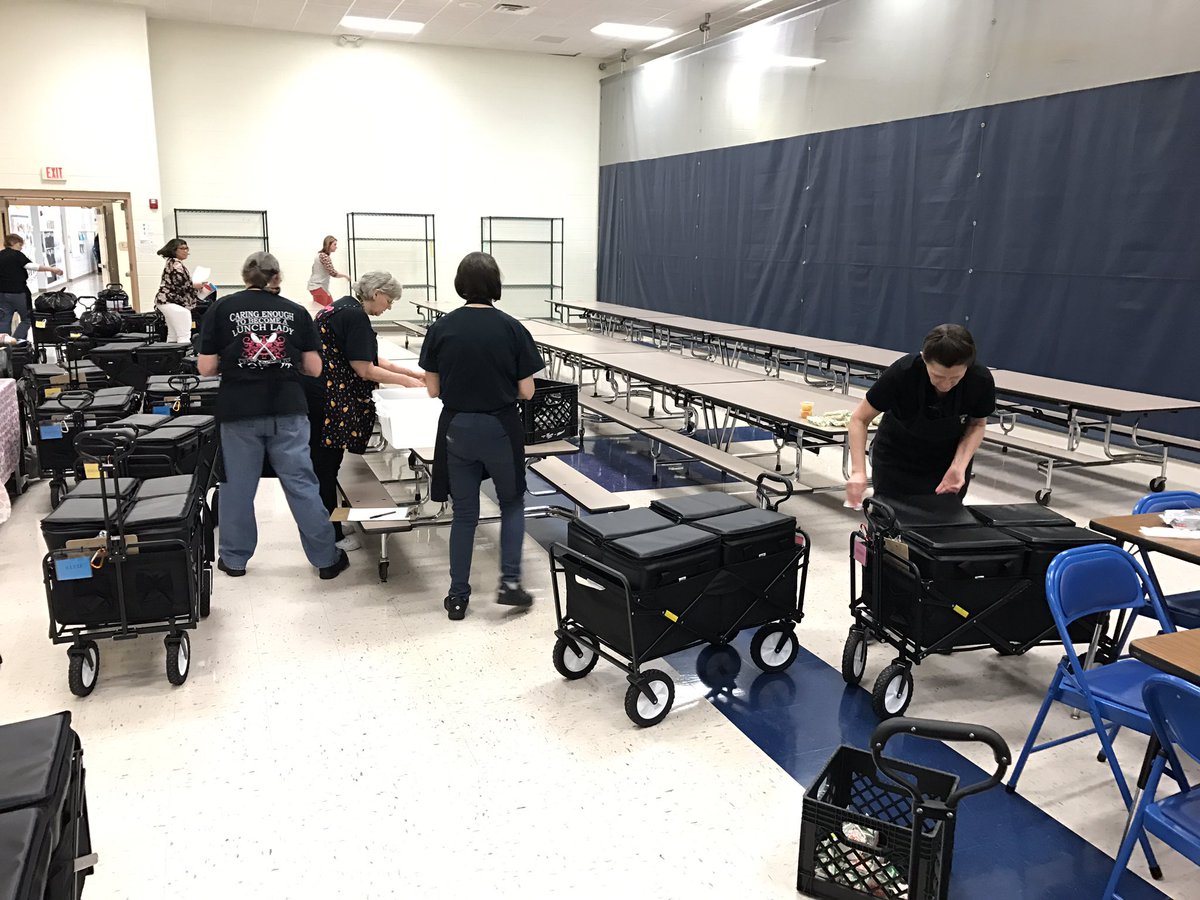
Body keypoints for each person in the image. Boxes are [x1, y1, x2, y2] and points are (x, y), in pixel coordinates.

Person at [197, 251, 348, 580]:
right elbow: (314, 368)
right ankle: (326, 559)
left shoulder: (221, 309)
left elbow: (206, 368)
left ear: (244, 276)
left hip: (239, 411)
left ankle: (234, 561)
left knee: (237, 486)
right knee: (302, 485)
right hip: (288, 409)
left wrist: (237, 362)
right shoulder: (296, 312)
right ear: (276, 277)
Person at [420, 252, 544, 621]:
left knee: (465, 514)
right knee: (511, 503)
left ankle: (458, 596)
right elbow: (526, 392)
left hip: (457, 428)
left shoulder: (441, 328)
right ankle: (509, 584)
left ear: (461, 284)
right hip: (500, 429)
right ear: (495, 285)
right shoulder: (511, 328)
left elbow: (431, 389)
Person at [306, 271, 425, 551]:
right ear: (376, 293)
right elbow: (365, 369)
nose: (389, 306)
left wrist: (409, 372)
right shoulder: (355, 315)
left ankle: (331, 523)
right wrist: (409, 383)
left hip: (320, 397)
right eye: (390, 300)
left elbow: (369, 355)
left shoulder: (340, 306)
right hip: (331, 403)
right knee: (326, 468)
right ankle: (329, 537)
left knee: (326, 468)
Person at [846, 324, 995, 507]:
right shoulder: (903, 372)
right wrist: (858, 471)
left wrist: (959, 466)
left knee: (943, 524)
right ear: (924, 358)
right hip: (897, 459)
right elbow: (859, 419)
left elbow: (977, 424)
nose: (946, 385)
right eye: (938, 376)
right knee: (890, 523)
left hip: (947, 463)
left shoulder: (979, 379)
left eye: (955, 378)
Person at [0, 234, 62, 340]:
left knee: (4, 319)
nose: (21, 247)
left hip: (2, 293)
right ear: (13, 243)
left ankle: (5, 344)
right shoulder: (16, 255)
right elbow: (31, 266)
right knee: (27, 318)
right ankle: (18, 342)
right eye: (20, 244)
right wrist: (52, 269)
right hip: (18, 293)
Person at [155, 238, 210, 343]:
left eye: (187, 248)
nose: (186, 251)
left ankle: (171, 357)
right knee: (184, 335)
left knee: (172, 335)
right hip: (172, 301)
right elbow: (182, 285)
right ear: (174, 250)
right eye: (182, 248)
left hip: (164, 301)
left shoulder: (171, 262)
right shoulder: (177, 264)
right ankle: (183, 357)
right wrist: (198, 285)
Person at [307, 235, 350, 308]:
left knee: (329, 308)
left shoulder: (320, 255)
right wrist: (346, 276)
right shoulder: (324, 256)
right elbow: (333, 273)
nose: (336, 246)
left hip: (318, 287)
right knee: (324, 310)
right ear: (329, 244)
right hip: (318, 287)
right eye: (334, 244)